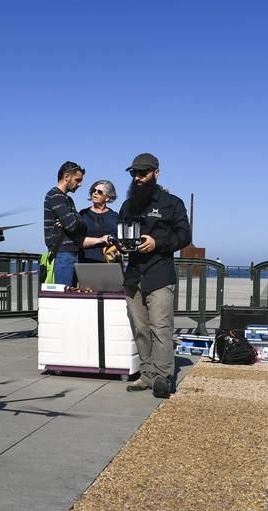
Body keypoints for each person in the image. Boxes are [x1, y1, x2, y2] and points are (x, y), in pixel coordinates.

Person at [120, 153, 191, 399]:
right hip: (133, 276)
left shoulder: (173, 203)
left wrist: (157, 242)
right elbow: (120, 234)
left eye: (143, 173)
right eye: (134, 174)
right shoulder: (127, 206)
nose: (138, 178)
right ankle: (147, 374)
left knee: (161, 327)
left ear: (156, 173)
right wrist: (116, 246)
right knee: (140, 327)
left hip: (160, 274)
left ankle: (163, 376)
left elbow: (184, 237)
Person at [43, 161, 86, 287]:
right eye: (77, 180)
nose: (80, 184)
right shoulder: (55, 196)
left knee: (70, 295)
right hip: (62, 253)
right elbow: (72, 225)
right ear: (66, 177)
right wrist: (74, 219)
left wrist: (74, 220)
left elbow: (81, 224)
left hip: (69, 253)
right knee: (65, 296)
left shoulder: (67, 199)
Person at [78, 179, 119, 263]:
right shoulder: (83, 214)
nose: (95, 193)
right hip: (86, 262)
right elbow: (77, 240)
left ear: (107, 197)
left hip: (110, 263)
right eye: (93, 190)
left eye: (99, 192)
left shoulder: (115, 216)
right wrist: (101, 239)